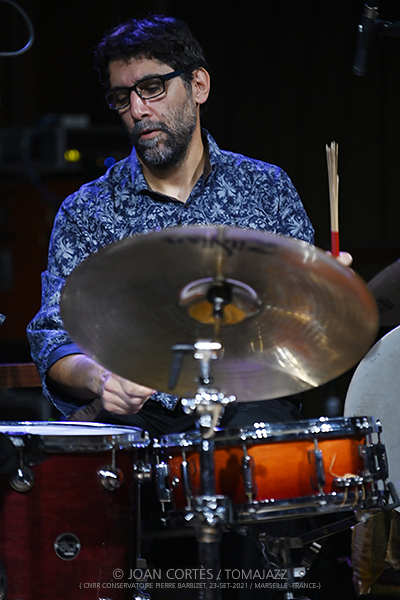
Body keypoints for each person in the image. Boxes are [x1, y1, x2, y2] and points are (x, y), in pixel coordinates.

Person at [26, 14, 353, 599]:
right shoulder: (88, 211)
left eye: (152, 88)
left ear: (197, 85)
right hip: (144, 421)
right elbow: (54, 338)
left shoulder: (265, 189)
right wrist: (100, 379)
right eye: (122, 97)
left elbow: (303, 330)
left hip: (250, 409)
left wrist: (327, 296)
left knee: (267, 457)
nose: (138, 110)